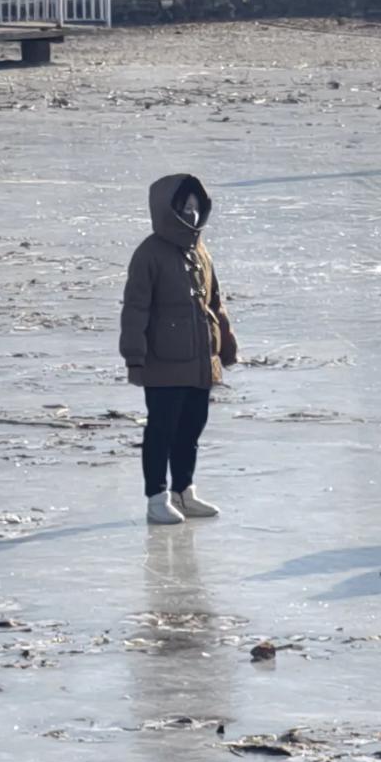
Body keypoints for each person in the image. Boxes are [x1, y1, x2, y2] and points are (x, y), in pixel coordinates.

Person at [119, 173, 232, 526]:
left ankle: (185, 492)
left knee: (192, 428)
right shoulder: (149, 254)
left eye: (197, 207)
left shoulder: (201, 251)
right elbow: (135, 308)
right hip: (163, 362)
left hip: (200, 360)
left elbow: (215, 302)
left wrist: (225, 345)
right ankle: (157, 497)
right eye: (186, 207)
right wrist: (134, 357)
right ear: (170, 210)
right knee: (162, 429)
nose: (193, 214)